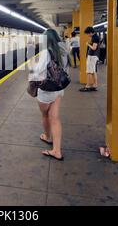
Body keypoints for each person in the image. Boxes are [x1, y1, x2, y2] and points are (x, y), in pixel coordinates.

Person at [29, 29, 69, 160]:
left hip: (47, 91)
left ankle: (47, 137)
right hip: (59, 89)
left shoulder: (46, 52)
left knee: (45, 115)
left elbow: (37, 72)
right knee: (55, 118)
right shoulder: (63, 50)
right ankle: (57, 150)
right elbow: (66, 69)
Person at [79, 26, 100, 92]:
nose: (87, 35)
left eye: (88, 34)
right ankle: (95, 85)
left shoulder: (95, 38)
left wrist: (88, 44)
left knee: (89, 72)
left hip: (92, 56)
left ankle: (88, 86)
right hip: (93, 56)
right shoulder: (95, 37)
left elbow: (94, 48)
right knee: (93, 72)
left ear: (91, 32)